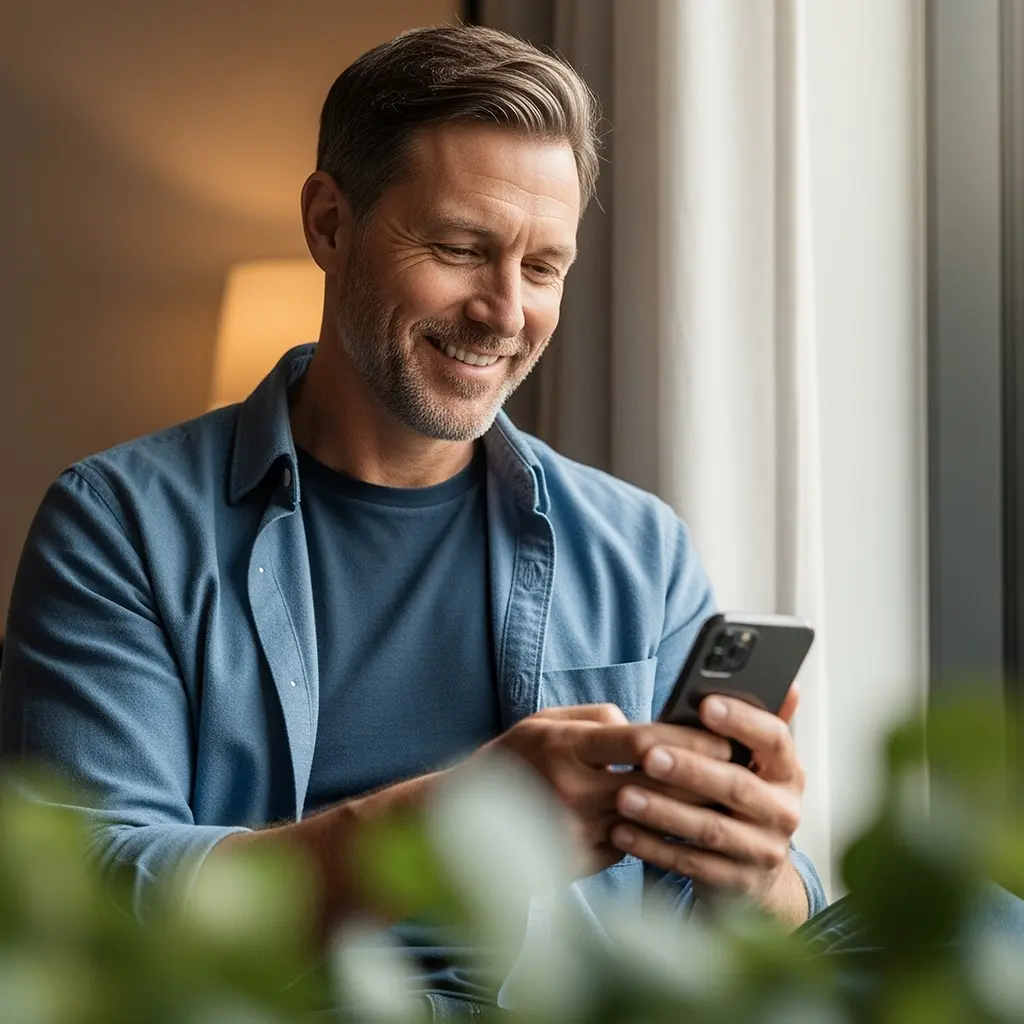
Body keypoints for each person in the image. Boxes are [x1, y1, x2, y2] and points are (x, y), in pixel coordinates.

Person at [0, 23, 827, 1016]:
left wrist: (758, 872)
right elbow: (88, 894)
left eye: (542, 267)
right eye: (460, 249)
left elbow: (715, 925)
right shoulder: (118, 527)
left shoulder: (638, 546)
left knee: (990, 927)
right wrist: (440, 832)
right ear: (328, 224)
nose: (504, 312)